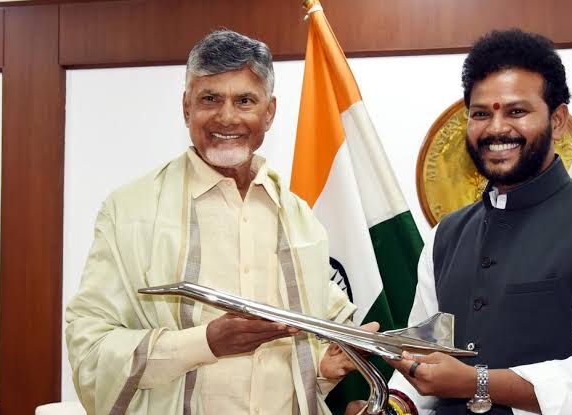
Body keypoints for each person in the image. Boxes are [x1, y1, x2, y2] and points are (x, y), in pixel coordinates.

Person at [66, 30, 372, 415]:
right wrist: (206, 343)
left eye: (245, 100)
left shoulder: (300, 221)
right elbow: (90, 347)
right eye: (210, 99)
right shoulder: (129, 212)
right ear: (186, 108)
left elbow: (299, 362)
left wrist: (322, 370)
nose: (227, 117)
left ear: (270, 111)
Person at [369, 29, 572, 415]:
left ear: (557, 121)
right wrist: (392, 406)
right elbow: (424, 357)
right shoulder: (445, 235)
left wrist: (480, 382)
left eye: (516, 111)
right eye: (480, 114)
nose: (495, 129)